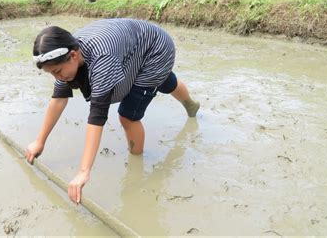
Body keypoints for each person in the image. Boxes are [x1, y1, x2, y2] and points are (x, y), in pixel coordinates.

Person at [26, 18, 200, 204]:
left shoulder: (101, 60)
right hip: (136, 46)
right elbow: (59, 99)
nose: (57, 77)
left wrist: (83, 172)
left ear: (74, 56)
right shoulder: (63, 53)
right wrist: (39, 141)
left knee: (128, 116)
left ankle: (137, 161)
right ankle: (191, 105)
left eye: (58, 71)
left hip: (156, 50)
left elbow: (97, 116)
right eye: (52, 73)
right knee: (160, 79)